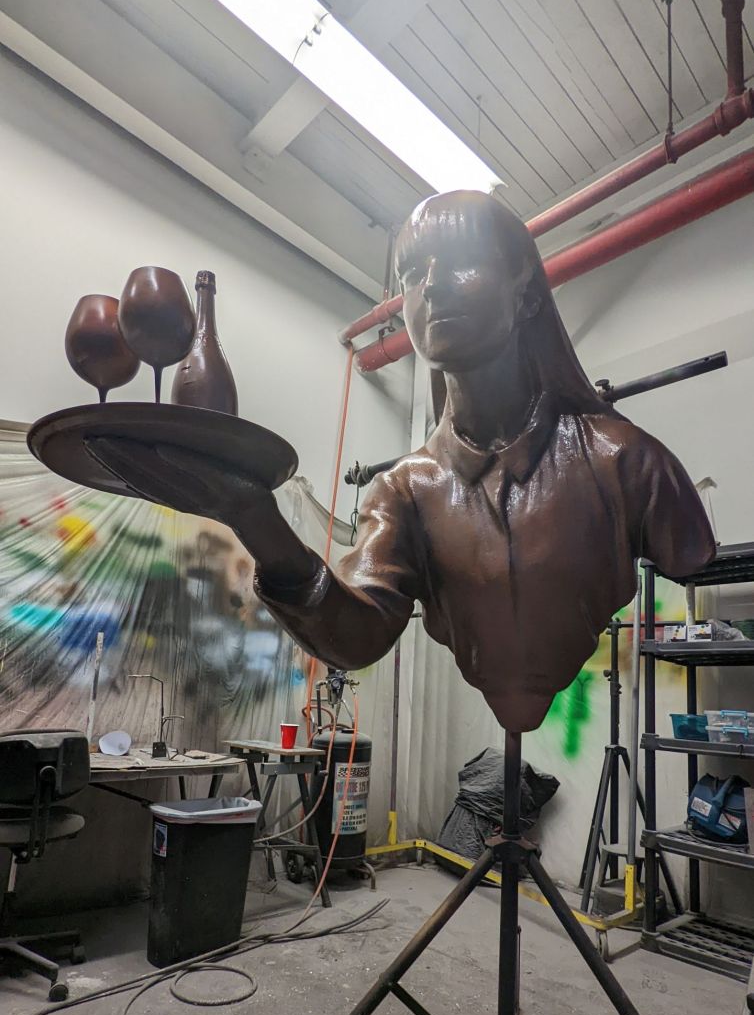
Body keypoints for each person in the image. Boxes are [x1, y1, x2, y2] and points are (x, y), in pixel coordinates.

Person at [92, 191, 715, 732]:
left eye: (463, 261)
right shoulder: (405, 491)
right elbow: (356, 633)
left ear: (524, 293)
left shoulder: (626, 462)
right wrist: (254, 517)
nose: (432, 285)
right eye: (413, 272)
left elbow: (692, 551)